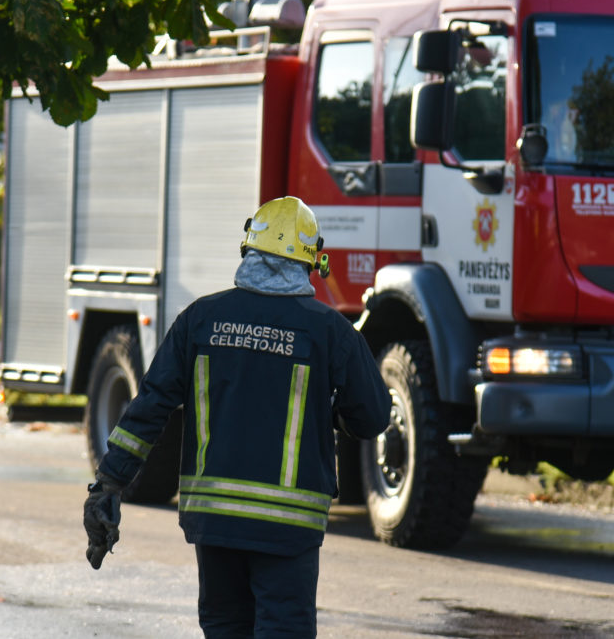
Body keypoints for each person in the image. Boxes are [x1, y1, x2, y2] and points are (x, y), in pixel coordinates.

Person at [83, 196, 392, 638]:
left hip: (215, 523)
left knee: (226, 627)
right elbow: (374, 418)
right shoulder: (331, 332)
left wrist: (109, 484)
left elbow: (149, 406)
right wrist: (334, 410)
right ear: (310, 262)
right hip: (289, 529)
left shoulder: (201, 319)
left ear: (248, 250)